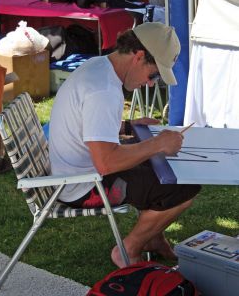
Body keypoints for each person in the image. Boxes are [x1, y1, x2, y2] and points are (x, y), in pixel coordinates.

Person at [49, 22, 201, 267]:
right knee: (184, 186)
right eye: (153, 75)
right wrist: (158, 144)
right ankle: (128, 250)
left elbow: (87, 123)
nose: (151, 83)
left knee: (163, 170)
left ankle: (153, 238)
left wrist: (128, 127)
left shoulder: (99, 67)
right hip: (82, 187)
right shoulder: (104, 90)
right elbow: (107, 163)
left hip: (74, 172)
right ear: (138, 56)